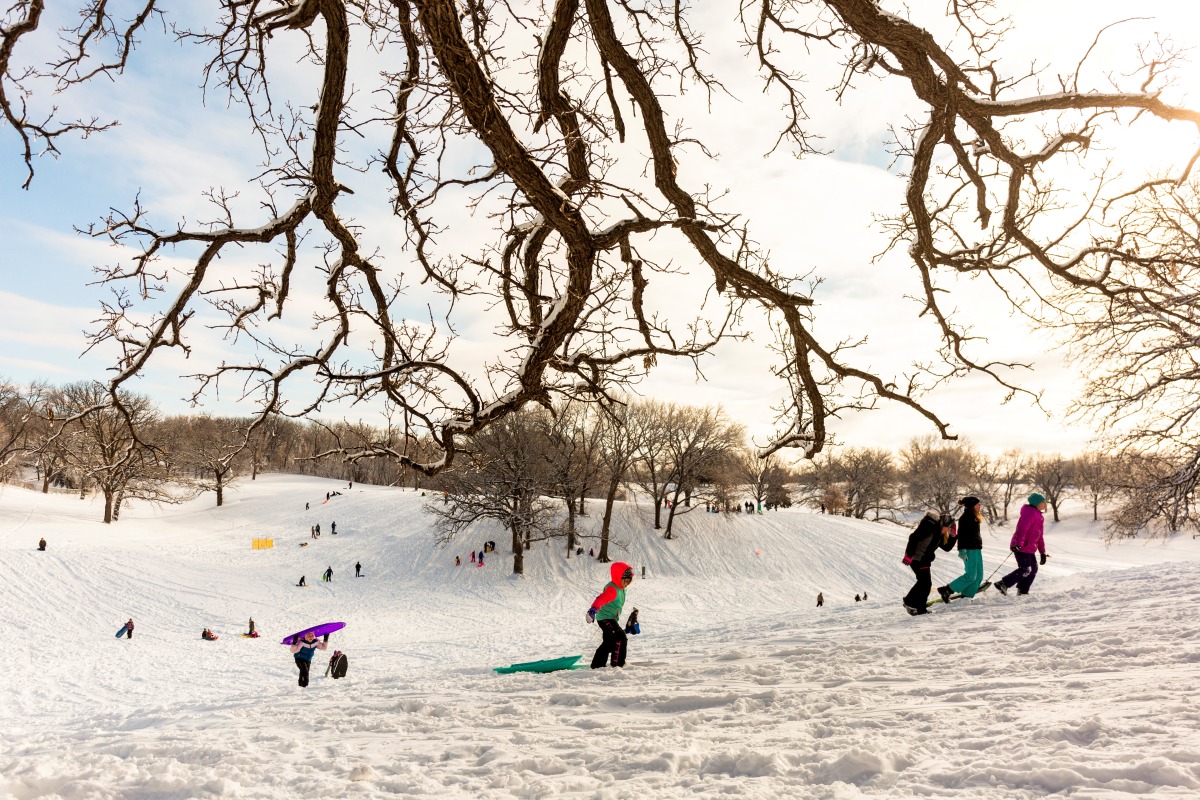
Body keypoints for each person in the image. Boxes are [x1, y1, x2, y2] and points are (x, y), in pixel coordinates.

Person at [902, 511, 956, 615]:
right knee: (925, 583)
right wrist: (909, 555)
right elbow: (913, 538)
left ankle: (911, 603)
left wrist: (953, 536)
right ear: (944, 524)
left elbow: (947, 548)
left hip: (924, 560)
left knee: (924, 583)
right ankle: (918, 607)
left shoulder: (939, 533)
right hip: (918, 558)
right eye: (949, 528)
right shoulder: (930, 527)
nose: (949, 530)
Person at [996, 493, 1050, 596]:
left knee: (1033, 569)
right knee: (1026, 569)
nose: (1045, 504)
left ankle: (1023, 590)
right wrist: (1018, 544)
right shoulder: (1030, 513)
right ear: (1037, 503)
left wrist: (1042, 552)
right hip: (1022, 547)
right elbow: (1022, 529)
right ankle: (1003, 584)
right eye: (1043, 502)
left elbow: (1039, 536)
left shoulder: (1038, 515)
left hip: (1029, 548)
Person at [938, 496, 985, 603]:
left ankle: (967, 596)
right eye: (978, 504)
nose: (980, 506)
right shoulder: (965, 518)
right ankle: (947, 589)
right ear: (972, 506)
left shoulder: (974, 517)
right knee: (971, 575)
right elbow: (962, 535)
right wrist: (961, 550)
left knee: (979, 576)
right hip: (969, 550)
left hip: (976, 549)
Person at [587, 562, 634, 668]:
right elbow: (601, 599)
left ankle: (597, 665)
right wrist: (593, 610)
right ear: (618, 577)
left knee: (609, 642)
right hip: (605, 618)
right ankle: (618, 664)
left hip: (610, 618)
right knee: (620, 637)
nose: (626, 584)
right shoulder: (612, 589)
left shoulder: (621, 588)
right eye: (625, 581)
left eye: (629, 582)